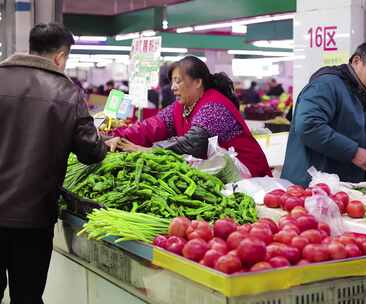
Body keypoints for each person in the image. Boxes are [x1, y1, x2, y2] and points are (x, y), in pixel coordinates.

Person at [0, 23, 107, 303]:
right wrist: (104, 141)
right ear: (60, 56)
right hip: (32, 217)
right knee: (27, 296)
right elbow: (91, 153)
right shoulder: (68, 94)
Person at [106, 56, 272, 178]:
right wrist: (114, 138)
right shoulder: (181, 107)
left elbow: (193, 145)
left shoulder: (214, 105)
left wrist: (144, 150)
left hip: (247, 175)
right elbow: (151, 127)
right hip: (215, 171)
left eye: (178, 81)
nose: (173, 87)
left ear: (198, 82)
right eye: (172, 82)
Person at [282, 41, 366, 186]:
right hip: (312, 186)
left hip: (339, 187)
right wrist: (353, 153)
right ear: (357, 61)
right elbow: (309, 125)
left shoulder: (362, 95)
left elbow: (357, 140)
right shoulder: (326, 85)